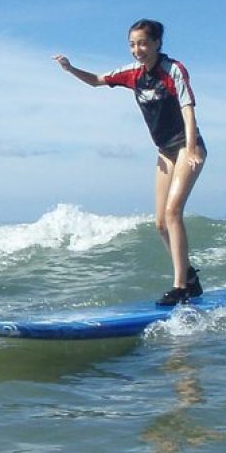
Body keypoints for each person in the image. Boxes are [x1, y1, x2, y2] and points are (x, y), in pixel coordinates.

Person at [53, 19, 206, 306]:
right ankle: (190, 277)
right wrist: (70, 69)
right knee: (160, 223)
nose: (138, 49)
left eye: (143, 43)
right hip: (164, 152)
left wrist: (194, 147)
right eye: (133, 44)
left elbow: (188, 108)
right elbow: (97, 81)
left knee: (174, 212)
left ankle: (180, 286)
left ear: (158, 43)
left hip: (186, 147)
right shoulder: (132, 74)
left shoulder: (173, 70)